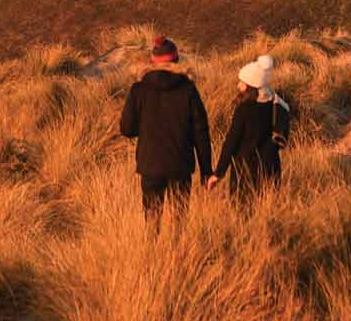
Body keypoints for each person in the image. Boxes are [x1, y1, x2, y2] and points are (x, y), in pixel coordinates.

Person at [119, 37, 212, 213]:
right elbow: (201, 132)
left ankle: (154, 243)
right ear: (176, 60)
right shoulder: (188, 89)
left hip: (150, 164)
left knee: (152, 220)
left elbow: (127, 129)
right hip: (180, 164)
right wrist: (206, 170)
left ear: (153, 61)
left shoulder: (139, 89)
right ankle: (176, 242)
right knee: (179, 218)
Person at [209, 55, 295, 193]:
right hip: (271, 169)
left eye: (242, 82)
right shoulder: (277, 104)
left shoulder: (244, 110)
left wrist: (218, 173)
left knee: (243, 213)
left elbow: (231, 142)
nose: (238, 85)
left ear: (251, 86)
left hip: (245, 172)